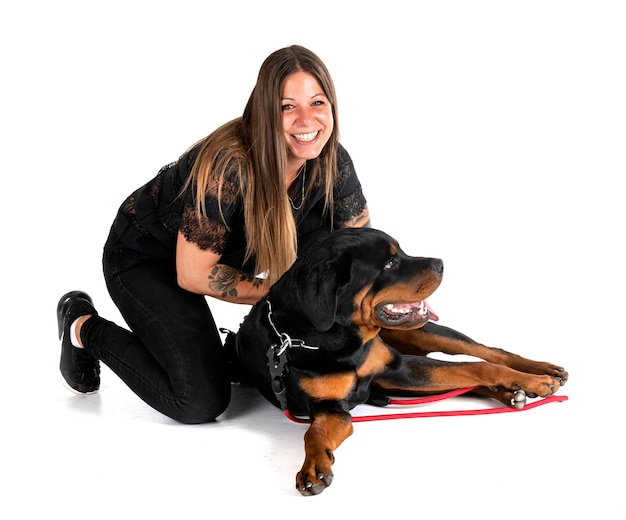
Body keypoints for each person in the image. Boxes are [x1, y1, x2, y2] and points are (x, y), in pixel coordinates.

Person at [56, 45, 370, 424]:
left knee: (331, 255)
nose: (307, 119)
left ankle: (236, 351)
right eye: (288, 107)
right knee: (198, 400)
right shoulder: (229, 166)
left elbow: (358, 248)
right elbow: (192, 274)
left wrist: (389, 298)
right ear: (265, 112)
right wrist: (290, 296)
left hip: (224, 255)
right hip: (145, 258)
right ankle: (81, 325)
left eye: (317, 102)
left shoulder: (333, 161)